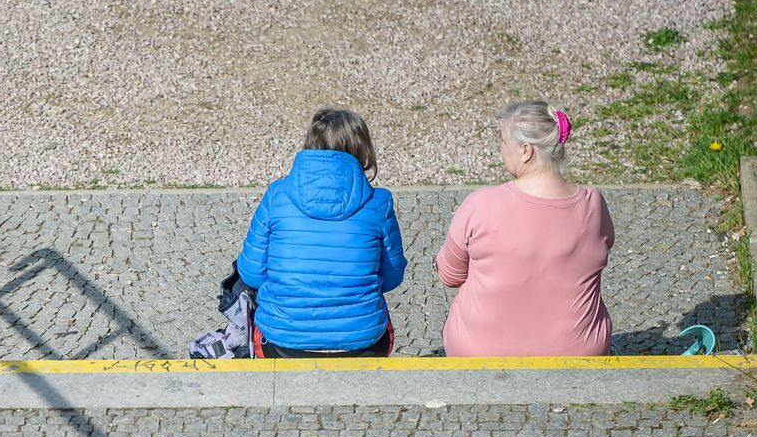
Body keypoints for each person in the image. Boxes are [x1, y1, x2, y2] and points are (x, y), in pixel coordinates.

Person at [436, 100, 614, 357]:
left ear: (525, 151)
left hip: (480, 351)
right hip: (579, 351)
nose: (501, 150)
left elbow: (449, 276)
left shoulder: (480, 204)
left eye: (504, 142)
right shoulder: (593, 204)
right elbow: (605, 246)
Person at [236, 107, 406, 357]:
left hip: (281, 340)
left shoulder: (277, 195)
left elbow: (251, 273)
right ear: (363, 149)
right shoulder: (379, 203)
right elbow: (392, 277)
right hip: (363, 342)